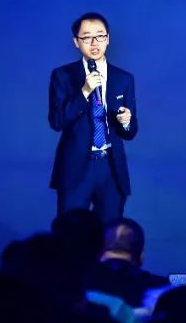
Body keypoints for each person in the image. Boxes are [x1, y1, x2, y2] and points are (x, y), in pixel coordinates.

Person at [49, 12, 139, 224]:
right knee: (70, 231)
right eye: (87, 37)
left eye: (100, 36)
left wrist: (126, 122)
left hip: (111, 167)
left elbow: (130, 132)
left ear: (108, 39)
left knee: (111, 231)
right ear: (76, 42)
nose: (94, 42)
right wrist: (84, 92)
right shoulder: (62, 76)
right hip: (76, 167)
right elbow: (57, 121)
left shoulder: (123, 78)